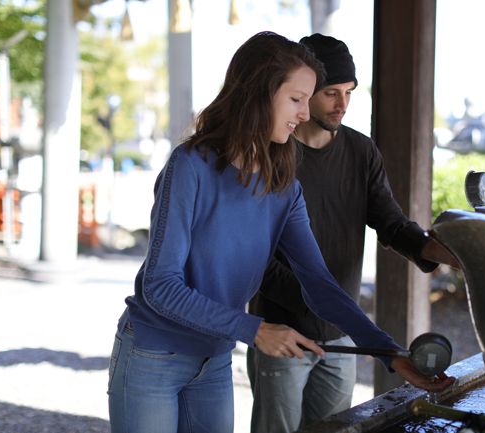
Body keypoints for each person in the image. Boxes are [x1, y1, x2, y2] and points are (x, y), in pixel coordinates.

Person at [107, 31, 454, 433]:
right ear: (258, 94)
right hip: (152, 356)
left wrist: (390, 354)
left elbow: (320, 287)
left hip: (215, 360)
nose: (305, 114)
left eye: (308, 100)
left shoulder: (284, 185)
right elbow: (159, 286)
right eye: (296, 99)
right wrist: (254, 329)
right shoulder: (190, 166)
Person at [247, 33, 458, 433]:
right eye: (331, 93)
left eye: (349, 92)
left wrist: (445, 253)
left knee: (336, 430)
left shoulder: (362, 151)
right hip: (281, 331)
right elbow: (256, 258)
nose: (343, 104)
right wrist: (318, 304)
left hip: (344, 335)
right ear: (304, 91)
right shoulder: (271, 154)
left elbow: (392, 224)